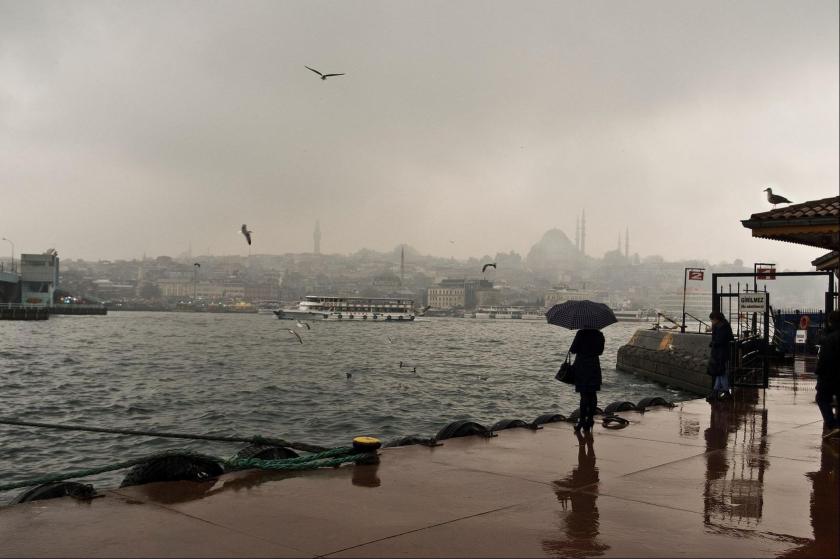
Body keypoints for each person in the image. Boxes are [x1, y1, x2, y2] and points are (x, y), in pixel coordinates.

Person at [569, 328, 605, 432]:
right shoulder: (599, 334)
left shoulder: (581, 333)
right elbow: (600, 351)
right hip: (594, 366)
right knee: (593, 394)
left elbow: (573, 350)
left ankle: (581, 421)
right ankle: (590, 420)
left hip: (582, 366)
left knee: (584, 395)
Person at [816, 310, 840, 438]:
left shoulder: (829, 339)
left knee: (821, 398)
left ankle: (833, 425)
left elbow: (824, 359)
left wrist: (819, 372)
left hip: (830, 376)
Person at [707, 311, 734, 402]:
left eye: (712, 320)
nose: (711, 322)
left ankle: (726, 392)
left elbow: (720, 340)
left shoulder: (723, 327)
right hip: (721, 353)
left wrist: (713, 343)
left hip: (721, 353)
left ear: (716, 319)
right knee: (719, 373)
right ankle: (715, 392)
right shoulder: (722, 325)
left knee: (721, 373)